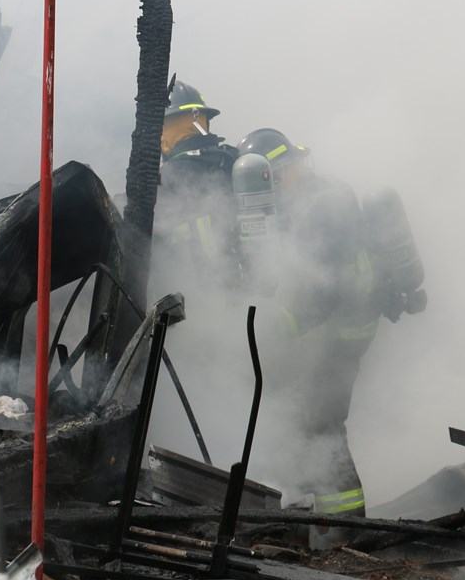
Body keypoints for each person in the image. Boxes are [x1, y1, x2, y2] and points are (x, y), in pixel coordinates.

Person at [235, 128, 382, 538]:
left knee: (322, 424)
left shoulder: (324, 207)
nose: (274, 189)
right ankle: (316, 524)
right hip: (332, 332)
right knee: (304, 420)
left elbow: (327, 289)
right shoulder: (316, 197)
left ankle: (348, 532)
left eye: (273, 179)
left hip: (342, 334)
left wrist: (283, 325)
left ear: (288, 169)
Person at [155, 79, 241, 287]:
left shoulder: (169, 177)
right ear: (203, 121)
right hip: (249, 284)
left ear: (163, 128)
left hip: (204, 291)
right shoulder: (232, 161)